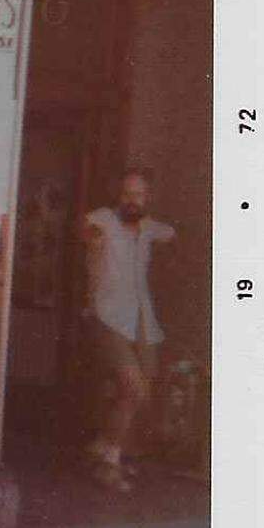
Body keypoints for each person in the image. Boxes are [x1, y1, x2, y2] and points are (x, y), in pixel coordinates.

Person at [81, 168, 176, 491]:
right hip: (109, 317)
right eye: (127, 194)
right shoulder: (103, 219)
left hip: (142, 320)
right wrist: (91, 241)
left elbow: (172, 234)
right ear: (118, 196)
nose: (132, 200)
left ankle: (107, 448)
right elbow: (88, 230)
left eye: (139, 194)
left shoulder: (150, 229)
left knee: (141, 392)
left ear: (148, 198)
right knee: (132, 387)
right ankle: (108, 462)